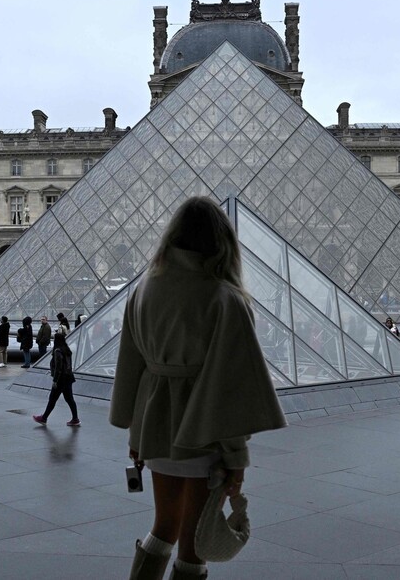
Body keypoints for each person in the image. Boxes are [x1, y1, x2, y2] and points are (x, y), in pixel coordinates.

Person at [111, 197, 286, 580]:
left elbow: (130, 366)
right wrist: (236, 458)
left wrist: (133, 429)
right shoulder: (225, 299)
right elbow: (233, 388)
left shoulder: (143, 290)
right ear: (222, 241)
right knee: (193, 547)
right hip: (202, 434)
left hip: (154, 426)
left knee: (163, 527)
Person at [33, 331, 80, 427]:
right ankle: (75, 419)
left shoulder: (57, 351)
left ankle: (44, 418)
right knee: (70, 399)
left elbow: (59, 368)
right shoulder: (67, 350)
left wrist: (55, 381)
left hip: (61, 379)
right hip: (68, 377)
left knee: (52, 399)